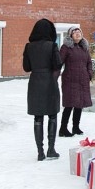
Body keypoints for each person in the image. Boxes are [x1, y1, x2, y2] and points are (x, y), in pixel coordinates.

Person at [23, 18, 62, 161]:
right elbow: (57, 64)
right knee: (52, 115)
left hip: (35, 82)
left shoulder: (29, 46)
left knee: (37, 118)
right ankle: (51, 149)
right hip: (50, 82)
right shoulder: (52, 46)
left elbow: (26, 67)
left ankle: (40, 151)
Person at [58, 26, 93, 137]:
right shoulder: (66, 47)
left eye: (79, 32)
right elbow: (59, 62)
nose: (77, 34)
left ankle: (76, 127)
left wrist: (89, 74)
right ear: (70, 35)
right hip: (70, 80)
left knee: (79, 104)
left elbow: (89, 63)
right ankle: (63, 129)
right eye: (75, 32)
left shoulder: (84, 48)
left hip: (82, 80)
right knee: (69, 104)